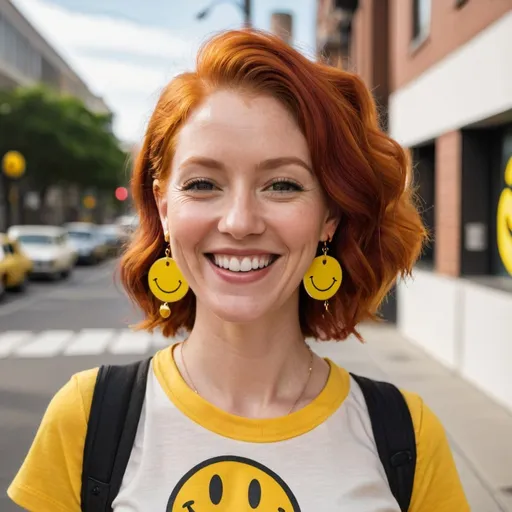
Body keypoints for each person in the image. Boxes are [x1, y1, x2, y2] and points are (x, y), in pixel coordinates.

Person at [8, 29, 470, 511]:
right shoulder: (84, 419)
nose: (240, 222)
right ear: (164, 209)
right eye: (204, 183)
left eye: (283, 185)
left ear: (328, 217)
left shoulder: (405, 437)